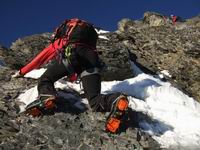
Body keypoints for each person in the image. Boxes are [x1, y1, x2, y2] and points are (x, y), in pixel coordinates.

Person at [12, 18, 129, 133]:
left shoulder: (61, 40)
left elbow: (40, 58)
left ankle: (46, 97)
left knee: (46, 79)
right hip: (92, 60)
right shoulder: (89, 42)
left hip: (72, 55)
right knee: (95, 101)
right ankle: (116, 100)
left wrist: (22, 72)